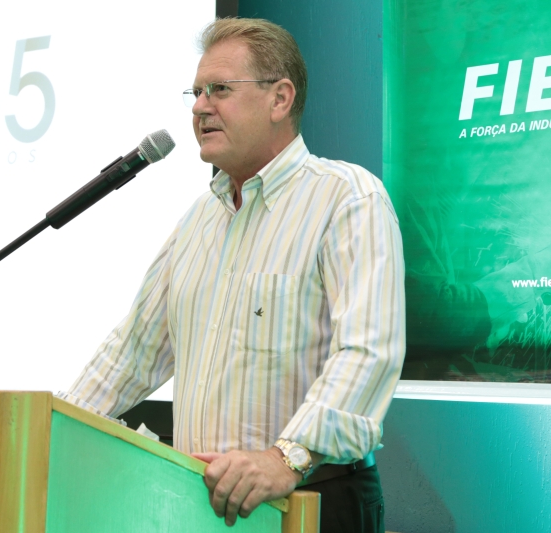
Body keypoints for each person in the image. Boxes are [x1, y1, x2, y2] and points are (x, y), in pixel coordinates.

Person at [59, 17, 405, 533]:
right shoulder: (199, 218)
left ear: (280, 99)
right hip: (199, 503)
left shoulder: (347, 198)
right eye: (196, 92)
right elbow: (134, 351)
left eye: (220, 89)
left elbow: (368, 352)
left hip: (310, 501)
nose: (200, 107)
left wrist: (284, 459)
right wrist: (55, 426)